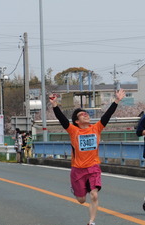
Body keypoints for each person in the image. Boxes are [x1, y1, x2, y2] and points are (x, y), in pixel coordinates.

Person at [49, 89, 125, 225]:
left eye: (86, 113)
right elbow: (62, 119)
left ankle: (91, 221)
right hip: (77, 169)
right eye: (82, 114)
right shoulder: (73, 131)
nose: (86, 115)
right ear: (77, 121)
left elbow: (107, 115)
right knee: (81, 200)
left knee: (94, 195)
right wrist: (55, 104)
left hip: (93, 167)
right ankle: (75, 189)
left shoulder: (96, 128)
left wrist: (117, 101)